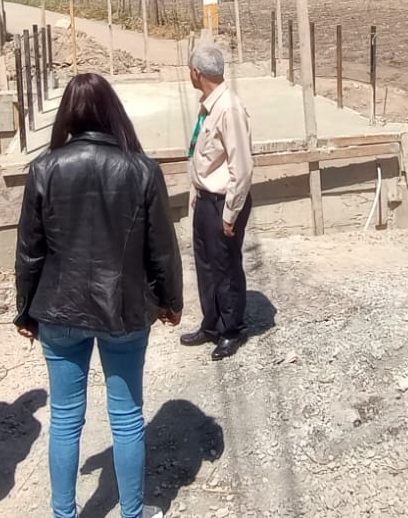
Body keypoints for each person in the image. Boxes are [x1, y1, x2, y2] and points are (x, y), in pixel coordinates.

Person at [15, 73, 183, 518]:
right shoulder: (142, 169)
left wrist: (24, 312)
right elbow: (161, 247)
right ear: (113, 112)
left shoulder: (45, 169)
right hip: (123, 311)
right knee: (127, 418)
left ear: (67, 114)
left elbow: (30, 251)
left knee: (66, 420)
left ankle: (64, 513)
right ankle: (132, 512)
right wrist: (171, 301)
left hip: (57, 309)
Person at [181, 44, 254, 360]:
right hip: (206, 199)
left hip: (224, 201)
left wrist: (231, 212)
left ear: (197, 73)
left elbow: (242, 166)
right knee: (206, 265)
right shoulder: (209, 105)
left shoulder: (229, 109)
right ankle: (211, 323)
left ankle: (230, 329)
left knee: (225, 267)